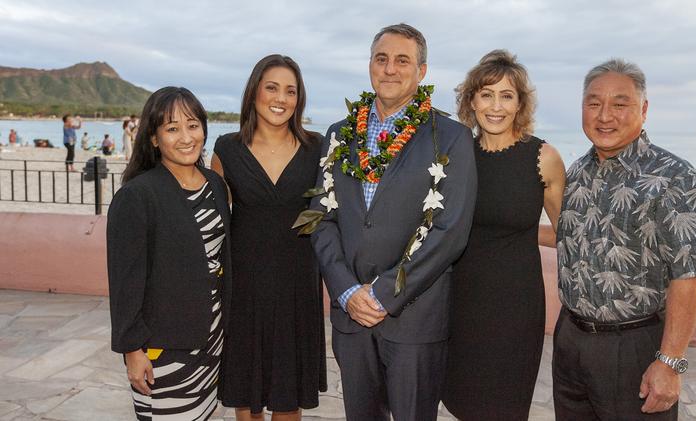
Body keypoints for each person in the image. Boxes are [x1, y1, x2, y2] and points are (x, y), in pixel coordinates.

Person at [307, 24, 477, 420]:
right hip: (351, 318)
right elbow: (322, 218)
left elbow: (450, 231)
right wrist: (347, 291)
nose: (389, 69)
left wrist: (384, 292)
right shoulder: (339, 134)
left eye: (402, 60)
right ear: (370, 64)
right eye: (381, 59)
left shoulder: (450, 137)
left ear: (422, 71)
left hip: (414, 321)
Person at [553, 58, 696, 420]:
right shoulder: (578, 172)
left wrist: (670, 362)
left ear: (644, 110)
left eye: (620, 104)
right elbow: (572, 235)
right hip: (570, 340)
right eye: (594, 103)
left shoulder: (674, 177)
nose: (605, 115)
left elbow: (690, 275)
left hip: (633, 346)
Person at [442, 50, 566, 420]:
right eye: (487, 94)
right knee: (463, 403)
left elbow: (568, 234)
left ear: (520, 103)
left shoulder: (543, 158)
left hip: (515, 307)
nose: (496, 106)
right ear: (471, 101)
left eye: (506, 95)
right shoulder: (455, 155)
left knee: (503, 407)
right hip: (460, 301)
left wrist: (523, 233)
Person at [212, 54, 326, 421]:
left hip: (297, 287)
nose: (281, 98)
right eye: (272, 88)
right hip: (244, 288)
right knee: (246, 395)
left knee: (288, 397)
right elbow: (213, 222)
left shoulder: (318, 148)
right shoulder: (226, 149)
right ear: (254, 92)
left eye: (291, 91)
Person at [107, 86, 232, 421]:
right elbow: (125, 282)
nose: (186, 137)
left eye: (193, 125)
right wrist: (132, 350)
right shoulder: (137, 196)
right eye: (172, 128)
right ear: (153, 137)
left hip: (211, 336)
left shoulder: (215, 185)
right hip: (163, 347)